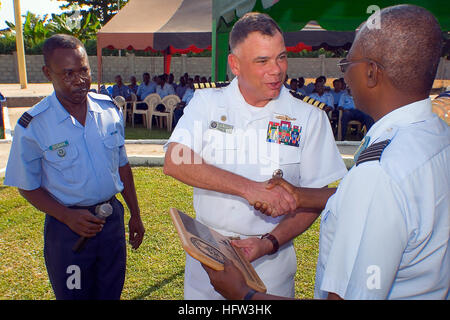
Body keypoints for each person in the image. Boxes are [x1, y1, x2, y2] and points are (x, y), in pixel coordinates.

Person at [202, 4, 449, 300]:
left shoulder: (379, 174)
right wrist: (300, 195)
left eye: (348, 65)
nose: (344, 76)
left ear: (371, 73)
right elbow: (386, 202)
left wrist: (243, 296)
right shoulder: (435, 135)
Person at [163, 12, 347, 300]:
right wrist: (250, 189)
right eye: (262, 61)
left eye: (281, 57)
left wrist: (268, 242)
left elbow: (317, 197)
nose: (276, 70)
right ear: (235, 64)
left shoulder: (308, 117)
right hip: (208, 261)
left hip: (269, 264)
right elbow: (175, 160)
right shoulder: (207, 103)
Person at [4, 34, 145, 300]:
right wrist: (68, 216)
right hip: (68, 228)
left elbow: (123, 167)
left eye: (84, 71)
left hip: (110, 220)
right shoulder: (34, 124)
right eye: (68, 74)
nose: (79, 81)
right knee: (74, 295)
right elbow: (27, 186)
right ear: (48, 73)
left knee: (110, 292)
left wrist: (134, 214)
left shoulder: (108, 111)